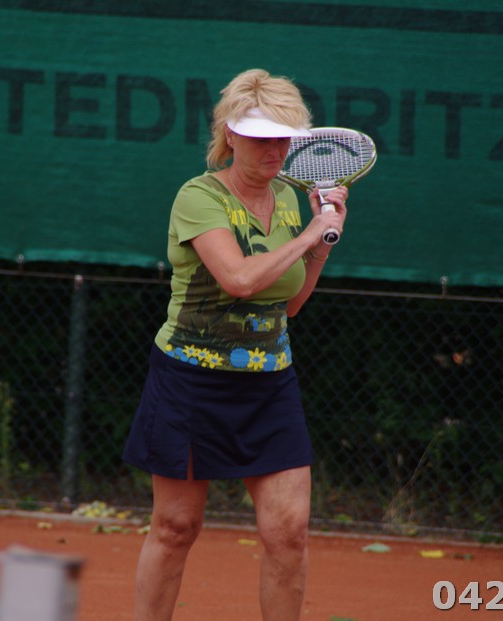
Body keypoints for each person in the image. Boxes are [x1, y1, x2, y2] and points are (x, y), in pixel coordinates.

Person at [122, 68, 349, 621]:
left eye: (284, 139)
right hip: (190, 380)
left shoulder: (290, 199)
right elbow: (239, 280)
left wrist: (321, 244)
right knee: (176, 527)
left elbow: (287, 305)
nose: (275, 150)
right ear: (230, 134)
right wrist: (308, 234)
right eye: (261, 137)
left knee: (288, 532)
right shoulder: (198, 196)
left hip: (270, 384)